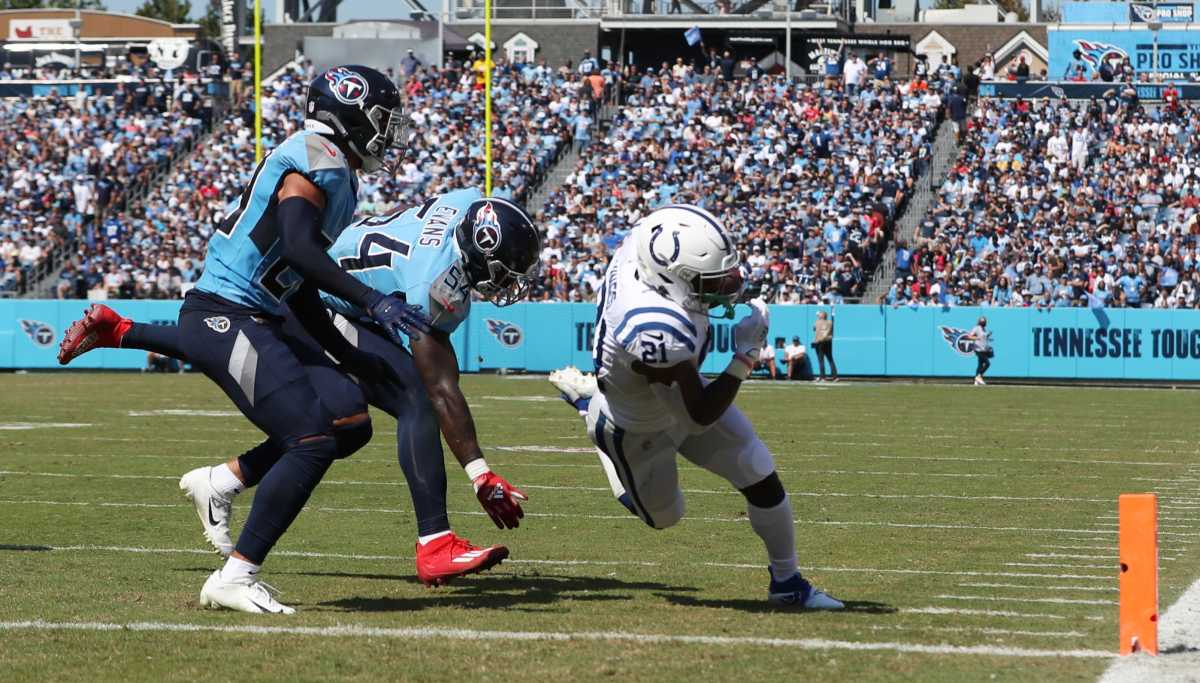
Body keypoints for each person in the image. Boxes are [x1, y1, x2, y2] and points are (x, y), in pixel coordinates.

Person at [58, 65, 435, 615]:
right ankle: (235, 576)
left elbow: (297, 281)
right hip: (228, 312)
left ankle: (221, 481)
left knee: (349, 421)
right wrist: (371, 300)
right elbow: (302, 251)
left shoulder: (335, 171)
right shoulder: (317, 161)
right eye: (382, 122)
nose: (388, 135)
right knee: (312, 439)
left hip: (258, 311)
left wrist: (348, 353)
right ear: (349, 114)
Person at [58, 190, 542, 593]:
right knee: (414, 395)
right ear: (473, 251)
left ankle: (222, 480)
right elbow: (440, 384)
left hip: (333, 297)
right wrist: (479, 472)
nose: (504, 283)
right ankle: (435, 542)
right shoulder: (434, 282)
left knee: (348, 428)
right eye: (500, 270)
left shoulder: (464, 204)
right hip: (317, 301)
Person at [548, 205, 842, 609]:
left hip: (673, 386)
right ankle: (587, 407)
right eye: (712, 281)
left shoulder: (651, 243)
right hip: (635, 424)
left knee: (757, 467)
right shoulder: (653, 322)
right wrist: (747, 354)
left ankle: (787, 583)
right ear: (672, 281)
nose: (729, 284)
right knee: (665, 517)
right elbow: (697, 416)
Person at [812, 310, 837, 382]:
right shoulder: (830, 322)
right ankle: (835, 377)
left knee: (821, 360)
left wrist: (818, 320)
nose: (818, 315)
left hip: (819, 342)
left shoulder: (817, 322)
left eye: (820, 314)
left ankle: (822, 377)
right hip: (828, 341)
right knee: (830, 359)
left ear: (822, 315)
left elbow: (814, 328)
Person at [968, 316, 993, 385]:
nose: (983, 323)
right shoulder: (976, 328)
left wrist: (988, 337)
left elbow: (983, 338)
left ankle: (976, 381)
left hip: (983, 349)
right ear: (979, 322)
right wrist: (977, 337)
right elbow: (969, 336)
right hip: (978, 349)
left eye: (984, 321)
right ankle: (979, 376)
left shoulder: (984, 329)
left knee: (980, 365)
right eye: (982, 321)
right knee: (987, 363)